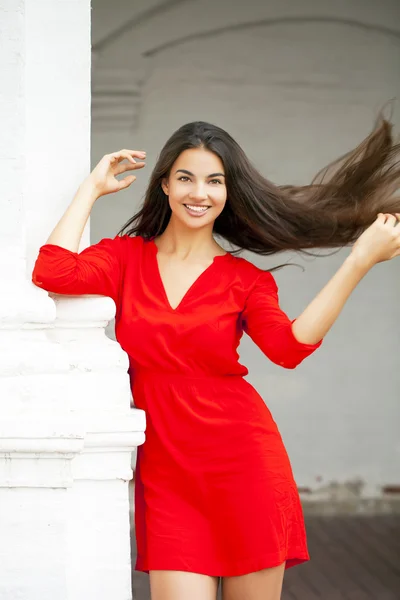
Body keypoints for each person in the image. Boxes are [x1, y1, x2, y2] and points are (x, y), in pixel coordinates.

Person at [32, 119, 400, 600]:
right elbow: (53, 271)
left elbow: (289, 349)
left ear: (229, 192)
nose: (198, 192)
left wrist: (357, 263)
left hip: (244, 465)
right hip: (169, 476)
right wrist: (92, 188)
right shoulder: (125, 259)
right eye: (185, 177)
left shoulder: (244, 280)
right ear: (164, 184)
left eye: (215, 180)